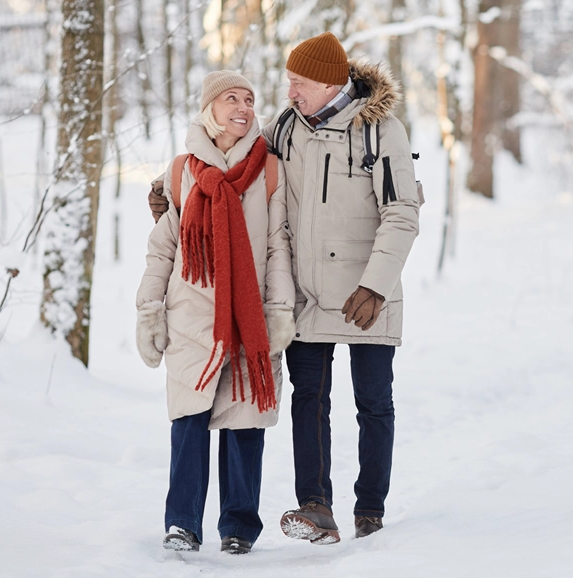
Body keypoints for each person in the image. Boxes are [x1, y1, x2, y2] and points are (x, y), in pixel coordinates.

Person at [268, 32, 422, 544]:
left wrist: (376, 286)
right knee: (308, 399)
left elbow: (402, 214)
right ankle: (315, 507)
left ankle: (370, 511)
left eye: (300, 82)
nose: (291, 91)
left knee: (373, 403)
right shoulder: (287, 128)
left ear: (331, 83)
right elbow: (233, 161)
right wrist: (169, 189)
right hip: (308, 293)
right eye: (289, 80)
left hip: (365, 295)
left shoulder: (380, 130)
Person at [135, 70, 296, 555]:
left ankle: (239, 527)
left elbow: (276, 245)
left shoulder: (268, 168)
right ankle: (182, 523)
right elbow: (163, 247)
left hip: (248, 315)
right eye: (231, 98)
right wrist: (149, 309)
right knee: (188, 418)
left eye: (249, 99)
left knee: (244, 420)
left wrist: (280, 308)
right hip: (193, 314)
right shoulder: (183, 169)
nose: (243, 107)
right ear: (210, 108)